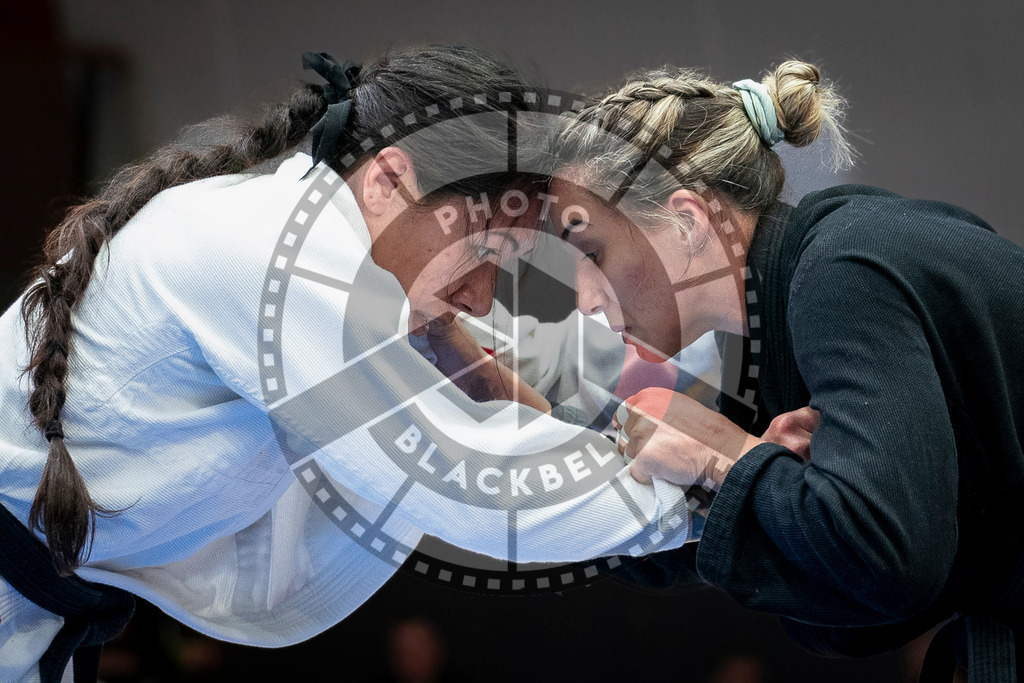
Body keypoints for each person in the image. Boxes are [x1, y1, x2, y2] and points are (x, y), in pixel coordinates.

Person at [0, 46, 720, 682]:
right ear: (389, 182)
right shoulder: (284, 260)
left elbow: (528, 363)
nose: (477, 295)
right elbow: (463, 475)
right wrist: (708, 503)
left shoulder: (349, 266)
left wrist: (687, 441)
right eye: (484, 252)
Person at [549, 60, 1024, 680]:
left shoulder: (841, 272)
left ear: (688, 221)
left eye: (594, 254)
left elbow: (886, 563)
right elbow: (829, 597)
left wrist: (725, 456)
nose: (585, 297)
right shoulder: (779, 321)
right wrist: (501, 406)